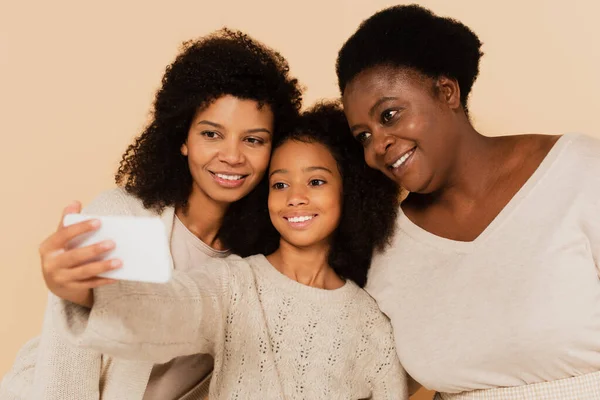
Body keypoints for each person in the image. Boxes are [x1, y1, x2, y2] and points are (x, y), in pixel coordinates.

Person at [0, 28, 302, 400]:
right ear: (182, 138)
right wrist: (74, 292)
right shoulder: (121, 216)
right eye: (211, 134)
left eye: (253, 139)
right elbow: (67, 365)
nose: (233, 155)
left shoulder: (259, 260)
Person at [46, 103, 407, 399]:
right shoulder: (234, 284)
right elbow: (165, 308)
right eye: (280, 183)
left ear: (351, 191)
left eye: (316, 181)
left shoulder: (370, 323)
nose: (295, 196)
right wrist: (81, 289)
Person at [336, 4, 600, 399]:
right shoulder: (386, 244)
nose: (378, 146)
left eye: (389, 115)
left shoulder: (578, 171)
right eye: (363, 136)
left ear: (447, 92)